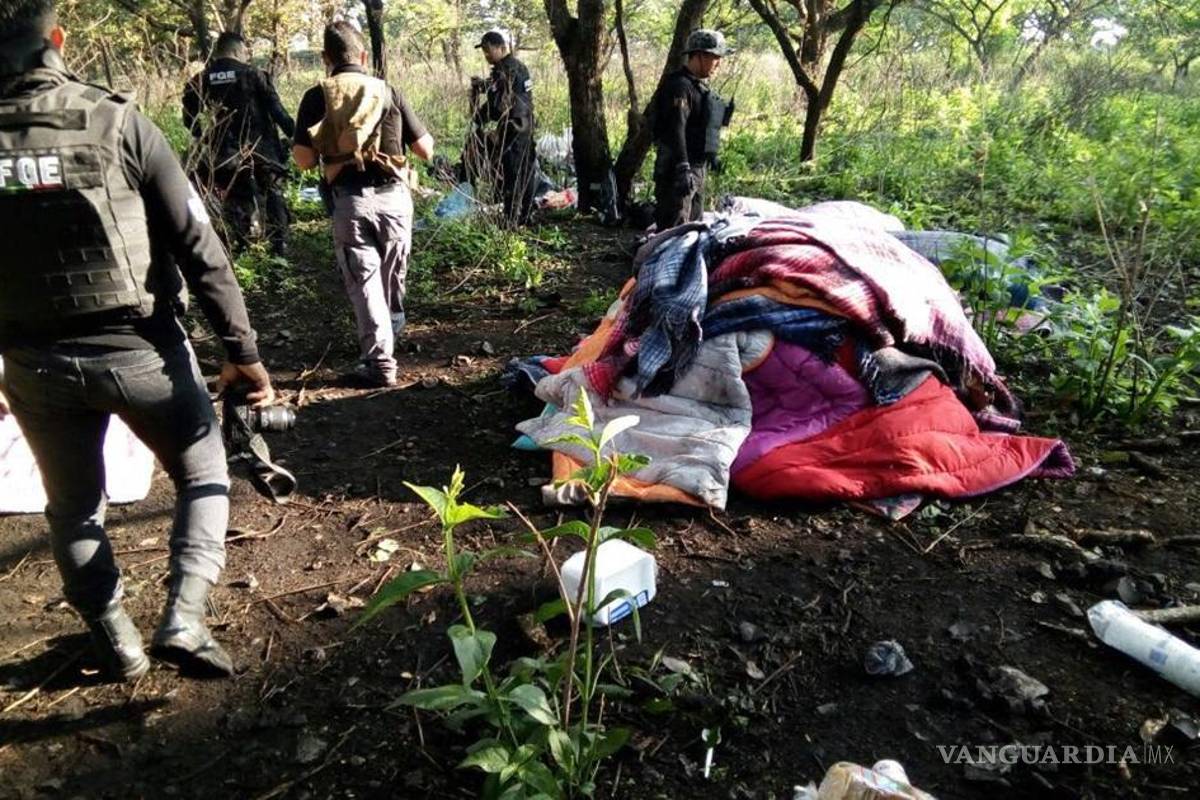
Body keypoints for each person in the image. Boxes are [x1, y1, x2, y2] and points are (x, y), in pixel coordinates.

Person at [0, 0, 276, 680]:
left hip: (34, 364)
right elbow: (199, 248)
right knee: (203, 472)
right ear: (56, 39)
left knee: (73, 507)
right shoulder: (118, 122)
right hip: (141, 352)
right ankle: (184, 615)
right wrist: (242, 353)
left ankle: (115, 639)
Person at [293, 21, 434, 388]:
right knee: (392, 275)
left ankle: (380, 361)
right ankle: (390, 331)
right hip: (395, 199)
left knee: (366, 283)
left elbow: (303, 160)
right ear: (364, 55)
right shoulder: (388, 91)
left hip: (351, 202)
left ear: (325, 58)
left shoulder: (317, 96)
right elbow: (425, 149)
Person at [183, 31, 295, 257]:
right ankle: (279, 247)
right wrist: (296, 136)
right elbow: (278, 112)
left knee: (235, 197)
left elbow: (189, 118)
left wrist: (203, 136)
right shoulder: (254, 75)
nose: (247, 56)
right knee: (272, 193)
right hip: (262, 151)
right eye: (245, 52)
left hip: (223, 153)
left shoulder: (201, 79)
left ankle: (242, 244)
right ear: (235, 51)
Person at [651, 29, 733, 231]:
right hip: (677, 171)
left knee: (694, 230)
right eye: (715, 57)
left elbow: (700, 127)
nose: (718, 64)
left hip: (696, 168)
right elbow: (675, 128)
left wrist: (711, 155)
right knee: (674, 232)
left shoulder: (698, 88)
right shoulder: (679, 86)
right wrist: (682, 166)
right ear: (700, 55)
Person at [472, 29, 535, 226]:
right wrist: (482, 85)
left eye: (489, 50)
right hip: (523, 125)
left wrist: (478, 120)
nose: (486, 55)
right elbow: (498, 90)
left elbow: (498, 104)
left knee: (513, 173)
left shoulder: (507, 70)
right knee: (523, 171)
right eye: (484, 51)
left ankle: (512, 219)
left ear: (501, 47)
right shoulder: (512, 67)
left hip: (514, 127)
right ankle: (524, 216)